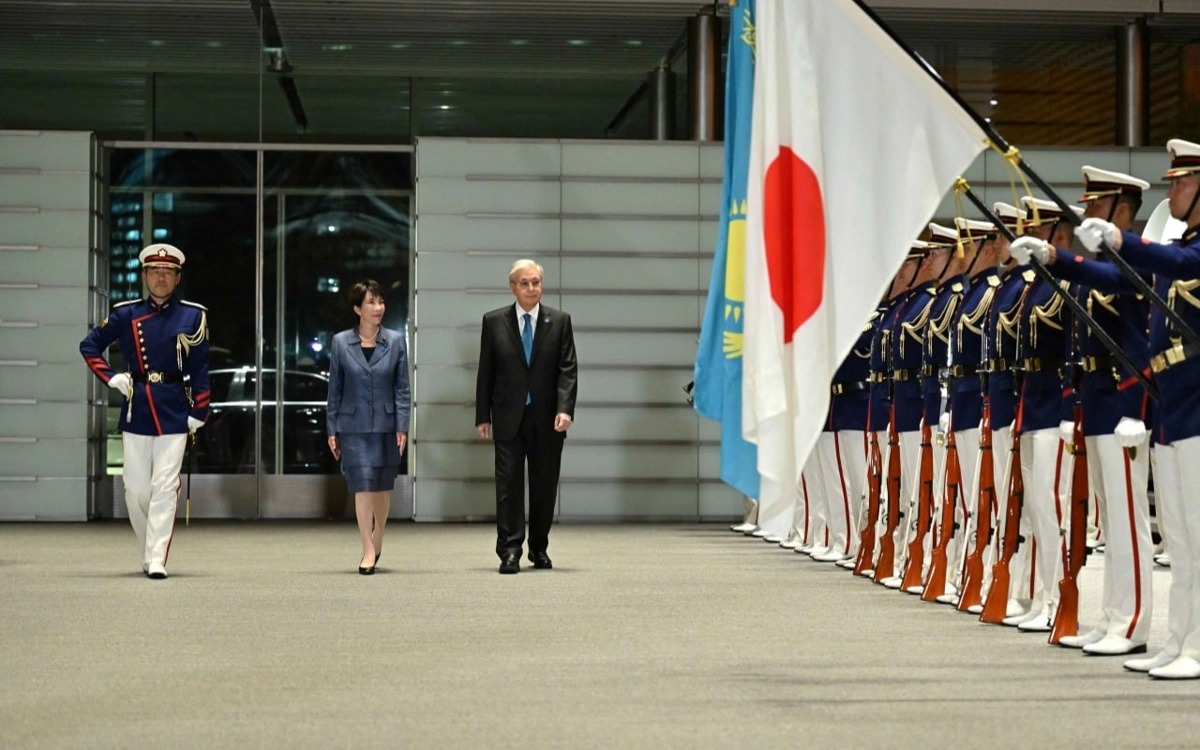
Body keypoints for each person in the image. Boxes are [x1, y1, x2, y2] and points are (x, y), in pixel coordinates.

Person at [79, 243, 210, 580]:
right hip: (137, 406)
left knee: (164, 486)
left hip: (174, 407)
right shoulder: (126, 314)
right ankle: (147, 548)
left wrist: (200, 408)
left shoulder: (193, 315)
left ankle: (156, 558)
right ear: (144, 276)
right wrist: (111, 377)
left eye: (167, 272)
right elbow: (90, 345)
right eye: (154, 271)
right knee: (136, 489)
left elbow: (200, 366)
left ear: (177, 277)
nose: (160, 277)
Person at [476, 260, 578, 575]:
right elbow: (486, 371)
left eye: (536, 282)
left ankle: (539, 547)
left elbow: (568, 369)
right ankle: (509, 551)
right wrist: (482, 415)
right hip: (508, 416)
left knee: (544, 485)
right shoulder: (494, 322)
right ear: (513, 287)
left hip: (548, 418)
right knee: (508, 485)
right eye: (525, 283)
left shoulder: (559, 321)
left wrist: (565, 409)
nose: (531, 288)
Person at [326, 280, 411, 575]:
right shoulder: (340, 343)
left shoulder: (396, 341)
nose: (378, 308)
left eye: (381, 301)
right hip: (353, 426)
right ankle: (367, 548)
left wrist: (402, 426)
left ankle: (379, 535)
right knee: (362, 486)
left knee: (382, 488)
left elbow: (402, 388)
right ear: (357, 309)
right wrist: (332, 429)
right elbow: (334, 389)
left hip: (387, 425)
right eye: (371, 303)